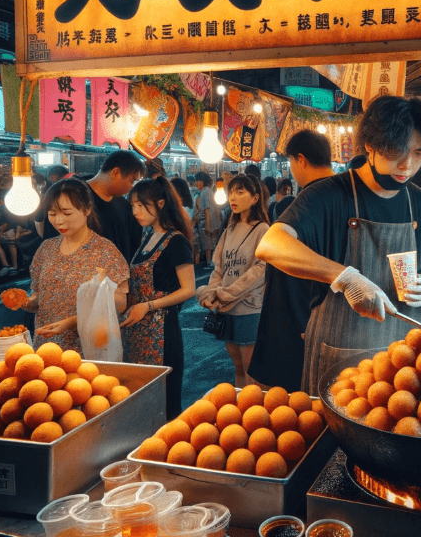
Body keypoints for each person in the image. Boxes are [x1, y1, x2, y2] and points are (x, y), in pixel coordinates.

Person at [255, 95, 421, 395]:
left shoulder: (419, 202)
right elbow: (270, 244)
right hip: (340, 356)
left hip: (403, 363)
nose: (407, 165)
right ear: (370, 145)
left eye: (418, 153)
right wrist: (344, 277)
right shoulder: (328, 194)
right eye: (396, 151)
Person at [250, 129, 335, 390]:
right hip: (307, 311)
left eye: (290, 162)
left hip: (299, 313)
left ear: (300, 160)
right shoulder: (338, 194)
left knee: (293, 395)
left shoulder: (314, 196)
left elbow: (271, 247)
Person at [20, 179, 129, 353]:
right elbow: (39, 296)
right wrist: (28, 302)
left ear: (87, 209)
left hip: (88, 349)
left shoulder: (105, 251)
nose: (59, 221)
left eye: (67, 213)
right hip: (47, 347)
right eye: (52, 214)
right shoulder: (46, 249)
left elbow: (121, 303)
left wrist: (76, 320)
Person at [122, 177, 195, 418]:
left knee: (164, 400)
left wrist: (149, 305)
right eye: (133, 205)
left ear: (161, 204)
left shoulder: (176, 241)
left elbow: (188, 289)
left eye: (142, 206)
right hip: (136, 330)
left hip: (162, 331)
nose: (136, 211)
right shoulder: (147, 237)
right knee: (141, 398)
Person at [197, 174, 270, 387]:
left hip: (249, 307)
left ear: (255, 198)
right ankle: (240, 409)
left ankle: (254, 413)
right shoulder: (230, 227)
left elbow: (261, 268)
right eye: (231, 192)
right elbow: (219, 266)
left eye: (240, 192)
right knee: (236, 364)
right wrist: (212, 291)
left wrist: (228, 292)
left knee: (251, 367)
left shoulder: (263, 229)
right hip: (225, 307)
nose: (233, 197)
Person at [84, 150, 146, 263]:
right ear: (115, 172)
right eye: (132, 181)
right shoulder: (76, 197)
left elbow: (133, 247)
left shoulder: (126, 207)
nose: (132, 186)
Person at [193, 171, 222, 266]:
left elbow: (206, 210)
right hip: (214, 222)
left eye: (198, 181)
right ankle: (211, 262)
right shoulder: (208, 190)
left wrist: (208, 226)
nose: (196, 183)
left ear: (202, 181)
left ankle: (209, 262)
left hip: (207, 222)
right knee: (212, 242)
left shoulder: (204, 192)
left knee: (207, 243)